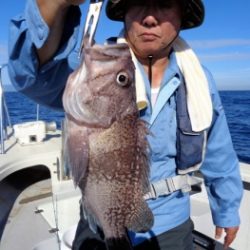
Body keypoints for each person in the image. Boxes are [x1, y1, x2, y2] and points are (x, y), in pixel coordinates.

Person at [8, 0, 243, 249]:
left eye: (164, 5)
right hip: (99, 217)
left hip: (172, 223)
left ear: (182, 16)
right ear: (124, 14)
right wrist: (55, 4)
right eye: (139, 3)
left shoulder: (199, 80)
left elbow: (219, 150)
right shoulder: (95, 67)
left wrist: (227, 210)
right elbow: (31, 75)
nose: (150, 18)